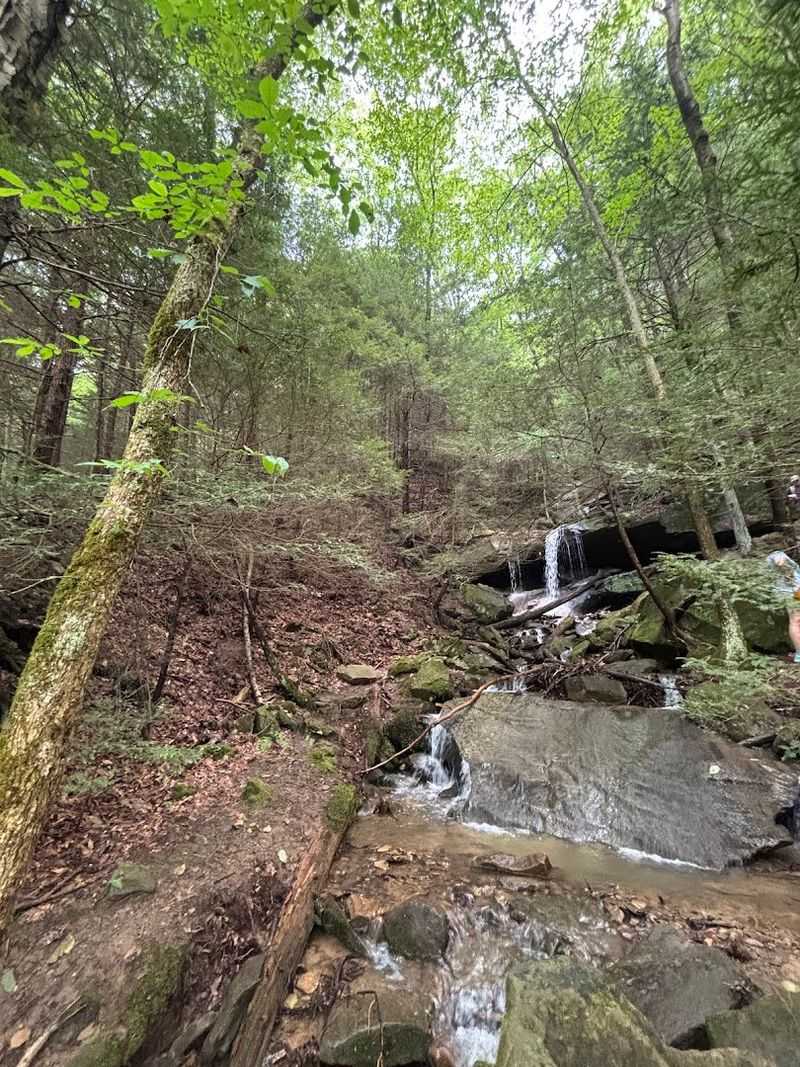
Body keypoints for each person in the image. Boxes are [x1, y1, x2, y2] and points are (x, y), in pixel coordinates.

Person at [766, 551, 800, 663]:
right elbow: (779, 560)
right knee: (796, 622)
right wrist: (788, 573)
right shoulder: (776, 554)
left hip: (791, 593)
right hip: (794, 593)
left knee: (796, 622)